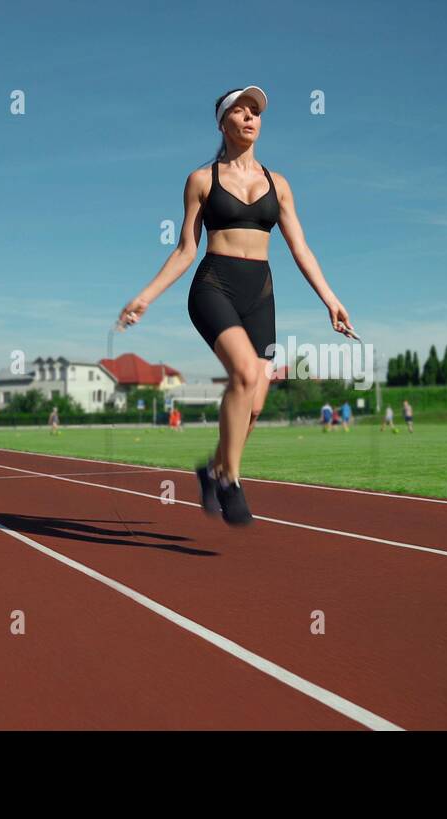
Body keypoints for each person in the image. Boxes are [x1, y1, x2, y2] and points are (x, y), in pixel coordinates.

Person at [117, 86, 356, 526]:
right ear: (223, 122)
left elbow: (299, 245)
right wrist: (145, 296)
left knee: (257, 402)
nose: (251, 117)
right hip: (214, 286)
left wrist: (331, 299)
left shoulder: (277, 183)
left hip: (260, 293)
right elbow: (186, 249)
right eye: (241, 111)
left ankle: (211, 470)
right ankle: (231, 479)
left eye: (256, 112)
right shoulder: (201, 180)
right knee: (244, 374)